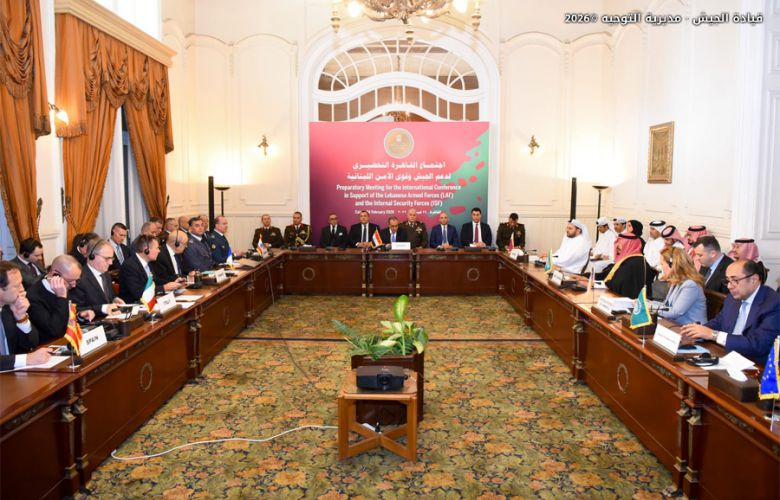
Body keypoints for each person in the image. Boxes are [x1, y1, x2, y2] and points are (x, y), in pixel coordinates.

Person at [682, 259, 780, 361]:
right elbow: (718, 322)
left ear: (754, 279)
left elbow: (758, 345)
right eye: (728, 281)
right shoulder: (732, 298)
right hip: (726, 354)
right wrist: (695, 333)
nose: (729, 286)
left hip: (755, 363)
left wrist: (713, 335)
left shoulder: (774, 304)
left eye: (735, 280)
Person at [27, 255, 92, 344]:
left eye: (76, 280)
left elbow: (65, 315)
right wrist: (61, 297)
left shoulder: (65, 285)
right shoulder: (33, 297)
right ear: (55, 274)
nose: (74, 285)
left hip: (70, 340)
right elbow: (55, 330)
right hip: (49, 344)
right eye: (70, 281)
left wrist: (79, 316)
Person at [0, 261, 50, 371]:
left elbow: (31, 344)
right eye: (17, 286)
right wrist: (27, 359)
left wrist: (21, 318)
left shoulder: (8, 309)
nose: (22, 289)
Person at [69, 239, 124, 318]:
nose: (110, 263)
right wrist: (102, 308)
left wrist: (114, 299)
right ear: (92, 256)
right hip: (92, 322)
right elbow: (75, 309)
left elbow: (108, 297)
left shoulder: (105, 274)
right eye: (107, 258)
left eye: (112, 258)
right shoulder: (78, 278)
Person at [119, 235, 183, 303]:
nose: (159, 251)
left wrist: (173, 281)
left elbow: (155, 281)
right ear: (146, 250)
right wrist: (164, 287)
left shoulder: (149, 263)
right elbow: (137, 293)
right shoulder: (130, 266)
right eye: (157, 248)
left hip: (147, 302)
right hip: (134, 304)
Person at [653, 247, 707, 325]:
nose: (661, 268)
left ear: (672, 265)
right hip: (677, 325)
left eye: (662, 264)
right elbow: (666, 305)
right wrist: (646, 304)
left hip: (691, 329)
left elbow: (675, 312)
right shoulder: (677, 280)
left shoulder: (691, 285)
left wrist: (649, 309)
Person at [604, 233, 656, 299]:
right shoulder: (642, 259)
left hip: (626, 301)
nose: (618, 251)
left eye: (620, 248)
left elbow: (617, 284)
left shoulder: (628, 263)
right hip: (640, 300)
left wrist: (608, 283)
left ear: (628, 246)